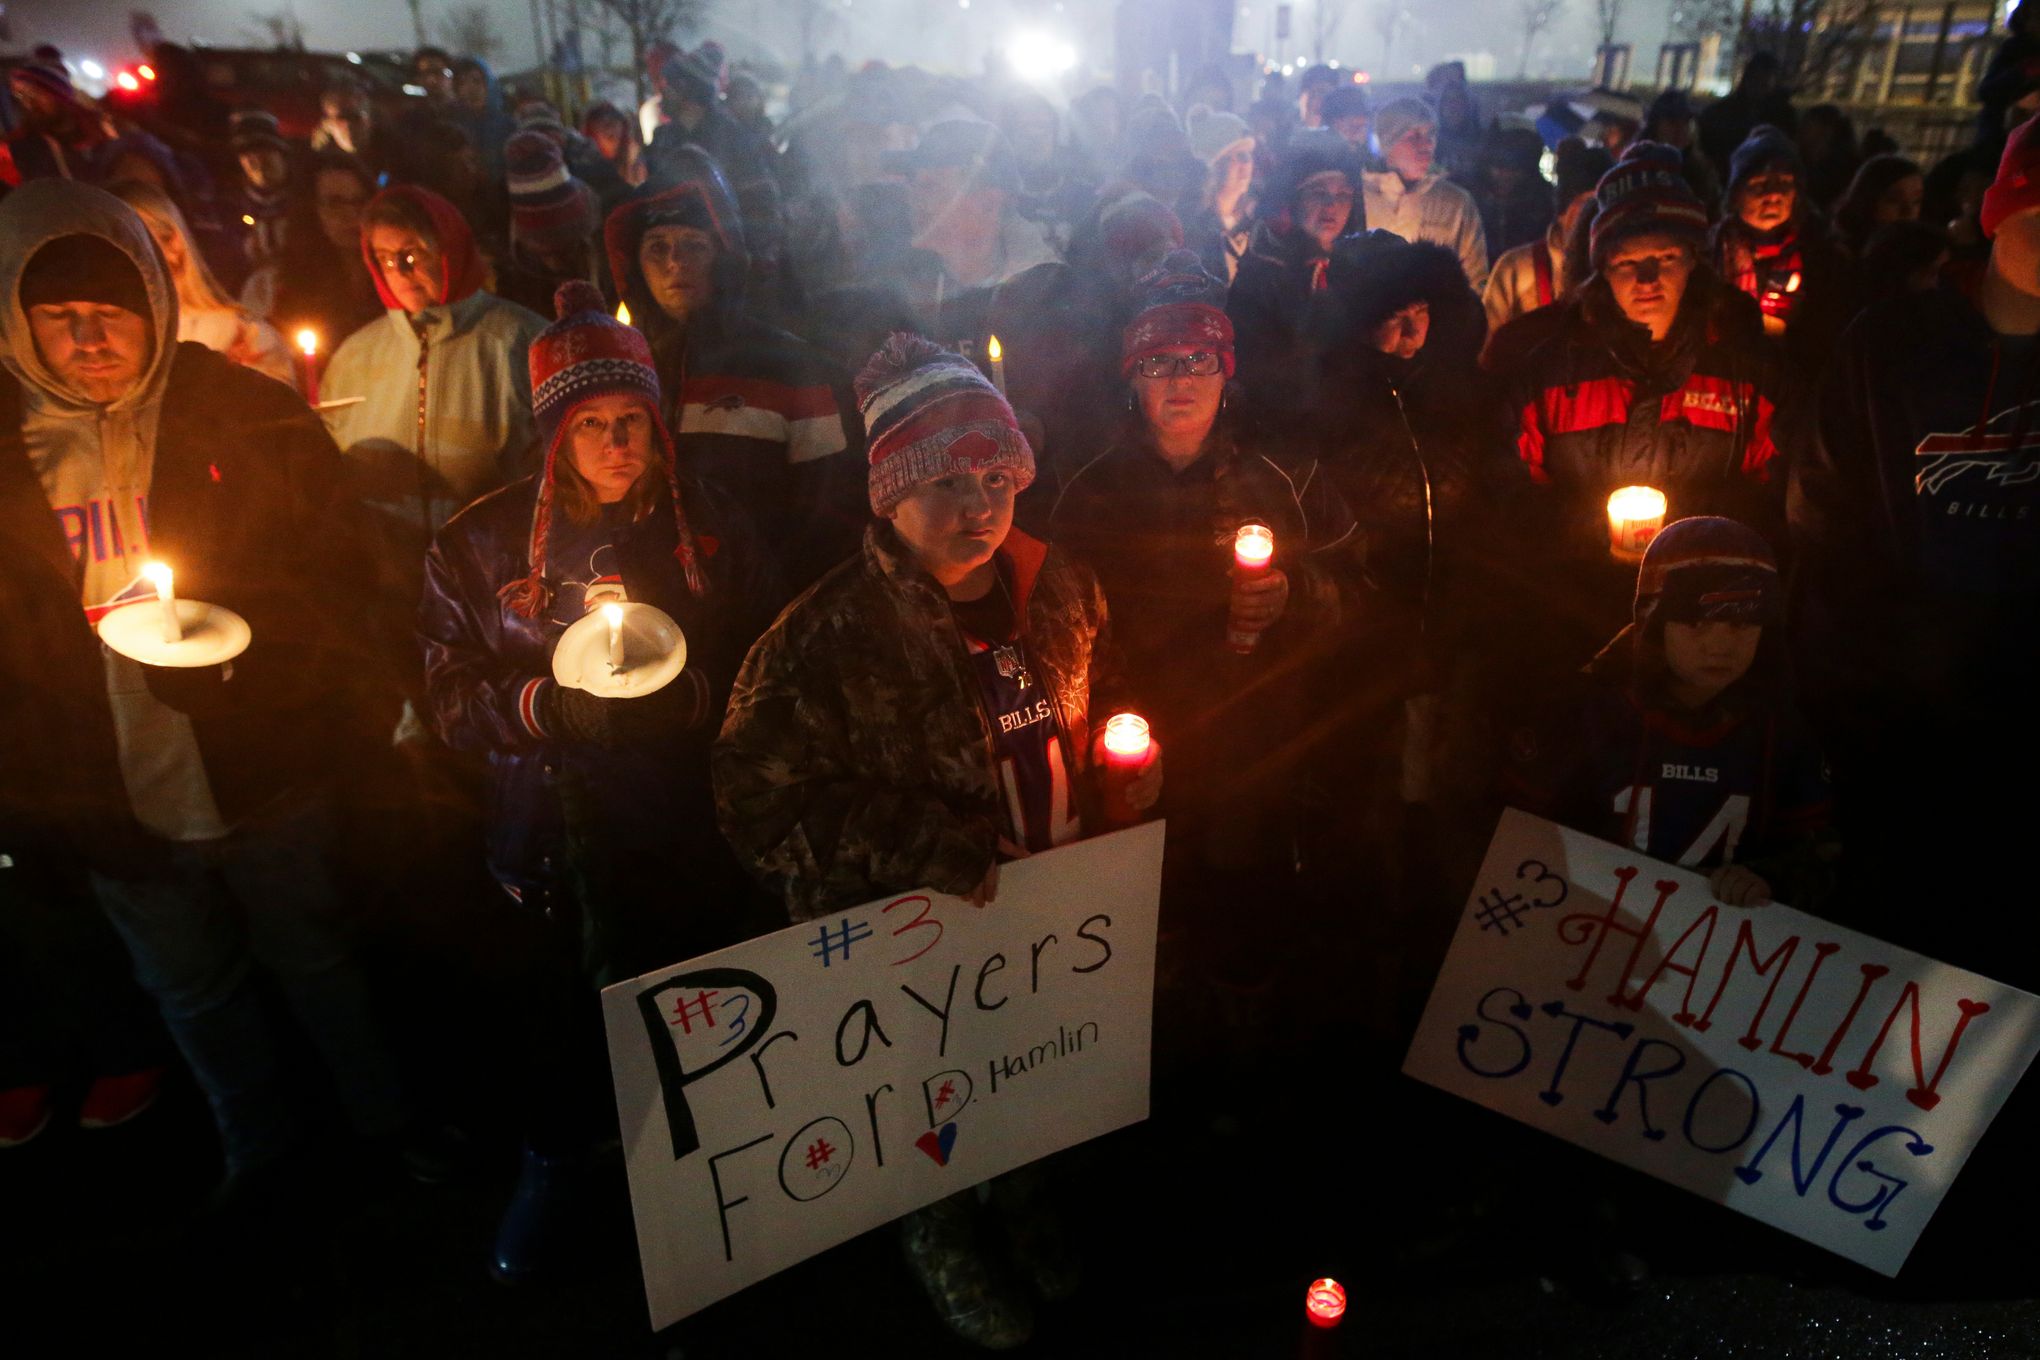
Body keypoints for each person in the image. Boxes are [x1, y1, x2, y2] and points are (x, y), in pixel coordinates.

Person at [716, 338, 1154, 1348]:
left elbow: (1103, 694)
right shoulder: (820, 640)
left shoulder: (1057, 587)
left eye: (998, 476)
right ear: (889, 495)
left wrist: (1127, 769)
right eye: (949, 480)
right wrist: (931, 848)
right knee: (933, 1088)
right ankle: (942, 1235)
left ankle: (1024, 1198)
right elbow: (758, 806)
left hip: (1046, 906)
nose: (981, 505)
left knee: (1028, 1070)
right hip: (916, 934)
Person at [0, 178, 420, 1194]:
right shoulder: (6, 453)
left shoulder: (245, 413)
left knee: (319, 960)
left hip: (263, 761)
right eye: (59, 321)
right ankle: (258, 1149)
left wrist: (263, 668)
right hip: (104, 788)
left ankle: (391, 1129)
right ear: (14, 321)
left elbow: (342, 579)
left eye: (114, 314)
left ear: (154, 299)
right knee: (191, 988)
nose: (91, 340)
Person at [419, 281, 776, 1281]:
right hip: (549, 833)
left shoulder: (712, 526)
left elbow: (769, 655)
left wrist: (698, 695)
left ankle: (708, 1172)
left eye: (633, 421)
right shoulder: (480, 544)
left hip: (688, 822)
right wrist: (544, 708)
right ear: (553, 435)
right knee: (558, 1017)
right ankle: (557, 1165)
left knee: (694, 995)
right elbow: (449, 692)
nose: (618, 443)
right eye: (591, 424)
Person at [1042, 254, 1357, 1037]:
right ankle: (1142, 1050)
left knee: (1242, 889)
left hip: (1254, 728)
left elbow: (1356, 591)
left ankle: (1240, 1051)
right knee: (1145, 894)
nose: (1179, 380)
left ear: (1227, 373)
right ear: (1130, 379)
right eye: (1157, 363)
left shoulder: (1285, 477)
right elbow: (1048, 616)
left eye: (1197, 362)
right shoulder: (1087, 486)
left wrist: (1295, 595)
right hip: (1134, 726)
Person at [1790, 115, 2040, 983]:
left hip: (2022, 716)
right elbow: (1825, 509)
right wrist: (1852, 671)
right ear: (2000, 216)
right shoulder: (1894, 342)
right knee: (1883, 927)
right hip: (1895, 702)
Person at [1499, 142, 1789, 676]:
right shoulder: (1549, 372)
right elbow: (1514, 493)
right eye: (1627, 262)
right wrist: (1591, 532)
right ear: (1600, 270)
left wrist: (1685, 546)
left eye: (1666, 259)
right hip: (1573, 613)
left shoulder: (1746, 376)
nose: (1647, 279)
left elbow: (1769, 496)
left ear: (1694, 264)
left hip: (1702, 626)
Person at [1506, 516, 1833, 907]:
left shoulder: (1783, 734)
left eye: (1743, 625)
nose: (1720, 645)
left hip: (1718, 954)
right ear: (1654, 624)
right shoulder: (1583, 716)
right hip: (1583, 935)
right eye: (1696, 624)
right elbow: (1512, 836)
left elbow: (1820, 853)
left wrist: (1769, 880)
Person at [605, 171, 864, 588]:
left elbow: (832, 506)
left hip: (767, 601)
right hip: (646, 602)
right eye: (657, 247)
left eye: (694, 245)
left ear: (724, 256)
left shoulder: (787, 365)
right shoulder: (620, 370)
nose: (674, 261)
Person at [319, 185, 547, 648]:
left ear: (450, 249)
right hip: (389, 585)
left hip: (495, 583)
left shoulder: (521, 342)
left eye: (412, 254)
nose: (399, 272)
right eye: (384, 258)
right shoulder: (356, 355)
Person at [1227, 135, 1364, 432]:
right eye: (1319, 192)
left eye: (1343, 195)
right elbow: (1256, 372)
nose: (1332, 206)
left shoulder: (1352, 266)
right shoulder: (1262, 273)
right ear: (1293, 198)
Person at [108, 180, 295, 389]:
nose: (112, 262)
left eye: (127, 243)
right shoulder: (97, 347)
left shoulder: (243, 339)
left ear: (173, 245)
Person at [1709, 124, 1854, 379]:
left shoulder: (1821, 258)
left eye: (1784, 184)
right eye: (1760, 184)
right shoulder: (1708, 251)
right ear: (1735, 195)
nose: (1773, 195)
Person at [256, 147, 384, 345]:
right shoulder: (291, 285)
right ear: (312, 211)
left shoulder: (393, 274)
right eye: (335, 203)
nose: (351, 215)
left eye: (359, 201)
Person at [1484, 141, 1611, 331]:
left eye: (1605, 207)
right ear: (1562, 210)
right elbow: (1486, 347)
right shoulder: (1516, 271)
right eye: (1587, 205)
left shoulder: (1621, 273)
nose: (1595, 217)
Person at [1362, 99, 1489, 290]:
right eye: (1413, 136)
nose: (1426, 144)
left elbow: (1475, 279)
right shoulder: (1357, 196)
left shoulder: (1455, 202)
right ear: (1387, 142)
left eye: (1431, 134)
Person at [493, 132, 603, 319]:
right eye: (545, 252)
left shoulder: (604, 256)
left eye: (564, 249)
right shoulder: (512, 283)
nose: (555, 263)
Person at [1182, 106, 1256, 283]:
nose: (1246, 163)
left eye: (1248, 154)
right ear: (1213, 167)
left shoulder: (1256, 225)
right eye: (1237, 155)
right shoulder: (1191, 229)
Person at [1697, 52, 1795, 184]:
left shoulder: (1783, 115)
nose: (1759, 84)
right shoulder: (1721, 112)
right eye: (1756, 78)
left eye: (1764, 79)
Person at [227, 109, 293, 287]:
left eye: (265, 149)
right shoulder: (232, 206)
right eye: (248, 152)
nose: (258, 159)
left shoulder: (305, 200)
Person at [1473, 124, 1554, 256]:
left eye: (1514, 169)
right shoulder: (1472, 196)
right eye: (1499, 166)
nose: (1505, 174)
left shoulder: (1543, 200)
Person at [1641, 88, 1721, 213]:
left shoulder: (1702, 171)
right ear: (1654, 126)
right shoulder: (1637, 169)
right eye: (1672, 122)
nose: (1680, 129)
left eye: (1686, 122)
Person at [1831, 153, 1924, 259]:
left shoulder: (1917, 252)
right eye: (1894, 200)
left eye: (1916, 201)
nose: (1908, 211)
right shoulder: (1841, 257)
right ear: (1866, 201)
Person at [450, 56, 515, 183]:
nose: (470, 89)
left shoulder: (508, 126)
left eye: (476, 81)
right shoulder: (453, 128)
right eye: (462, 83)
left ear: (489, 84)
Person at [581, 100, 647, 191]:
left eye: (612, 122)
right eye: (601, 125)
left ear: (623, 126)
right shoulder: (589, 170)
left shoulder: (636, 157)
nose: (609, 130)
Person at [1321, 84, 1371, 154]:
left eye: (1362, 127)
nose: (1358, 135)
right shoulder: (1316, 159)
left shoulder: (1371, 161)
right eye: (1352, 128)